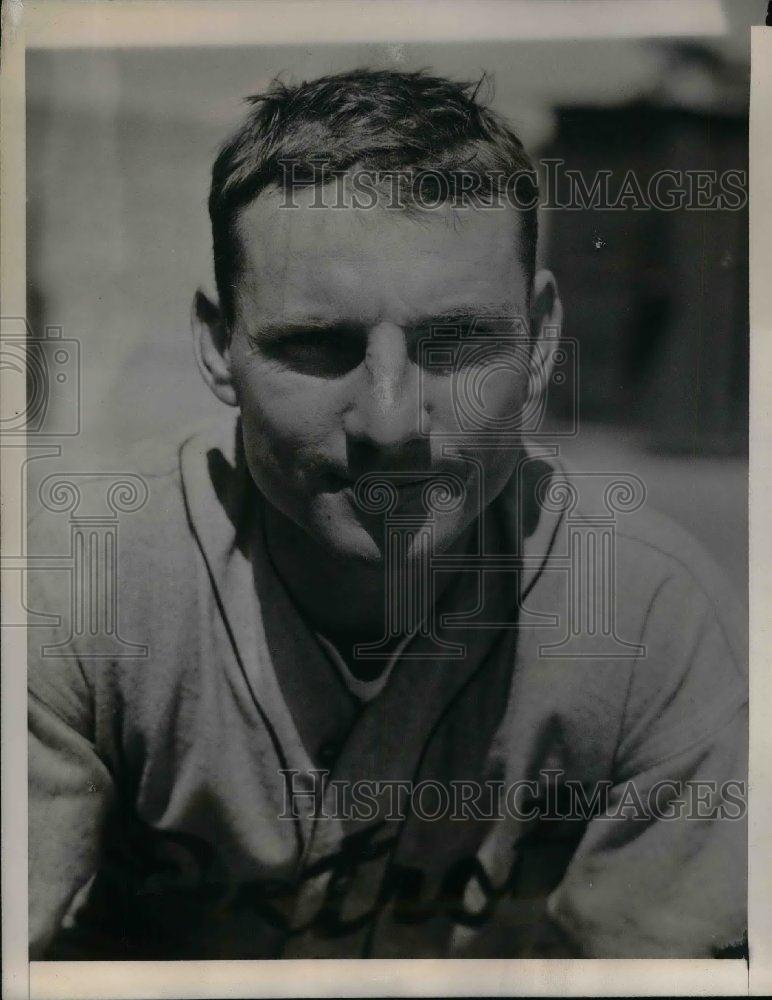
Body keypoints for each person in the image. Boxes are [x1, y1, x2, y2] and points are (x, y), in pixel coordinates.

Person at [28, 69, 747, 959]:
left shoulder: (650, 621)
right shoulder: (81, 597)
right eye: (318, 347)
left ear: (543, 339)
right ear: (219, 347)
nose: (391, 422)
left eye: (456, 344)